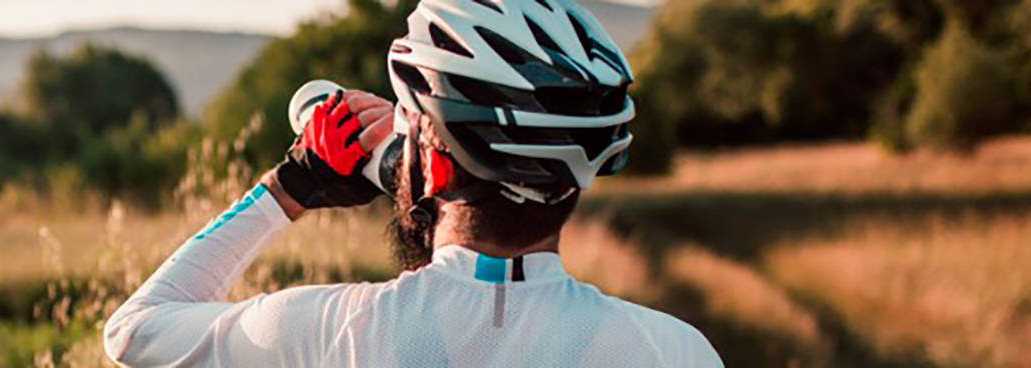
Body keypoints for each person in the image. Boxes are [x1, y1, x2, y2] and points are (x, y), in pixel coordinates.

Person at [102, 0, 721, 366]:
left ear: (439, 165)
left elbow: (134, 329)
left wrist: (291, 184)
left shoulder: (332, 329)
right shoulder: (672, 351)